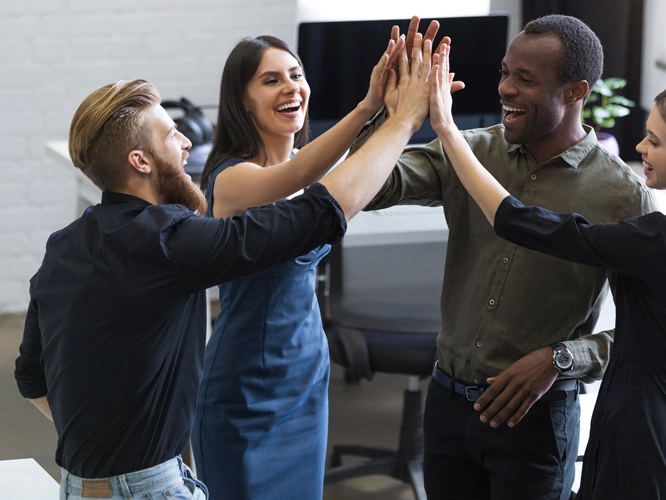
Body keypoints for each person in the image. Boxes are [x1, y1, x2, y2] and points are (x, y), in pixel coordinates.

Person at [14, 34, 433, 500]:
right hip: (159, 478)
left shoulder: (64, 246)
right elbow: (315, 214)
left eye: (295, 75)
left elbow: (31, 376)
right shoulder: (172, 243)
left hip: (90, 484)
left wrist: (103, 454)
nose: (187, 140)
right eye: (172, 135)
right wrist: (401, 119)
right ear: (140, 161)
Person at [427, 43, 666, 500]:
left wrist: (448, 131)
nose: (641, 147)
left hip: (631, 440)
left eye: (656, 141)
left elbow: (519, 222)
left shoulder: (659, 241)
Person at [351, 15, 655, 499]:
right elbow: (373, 186)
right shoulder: (473, 150)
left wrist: (562, 358)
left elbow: (651, 334)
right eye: (504, 73)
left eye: (525, 80)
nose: (505, 89)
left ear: (576, 91)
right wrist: (387, 111)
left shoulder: (622, 197)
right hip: (447, 405)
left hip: (535, 420)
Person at [188, 33, 427, 499]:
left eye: (296, 75)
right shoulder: (232, 179)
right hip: (246, 384)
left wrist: (382, 104)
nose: (291, 87)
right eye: (271, 80)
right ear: (242, 101)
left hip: (305, 368)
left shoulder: (303, 162)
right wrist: (373, 112)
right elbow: (299, 182)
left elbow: (327, 170)